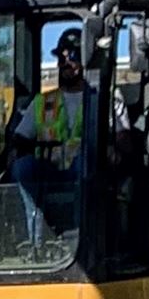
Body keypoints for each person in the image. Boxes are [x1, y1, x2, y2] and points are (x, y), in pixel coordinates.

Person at [8, 26, 91, 228]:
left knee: (85, 165)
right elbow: (20, 138)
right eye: (61, 58)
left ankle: (83, 232)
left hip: (86, 172)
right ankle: (37, 243)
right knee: (23, 168)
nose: (65, 63)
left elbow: (124, 139)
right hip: (49, 170)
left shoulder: (103, 99)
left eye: (72, 56)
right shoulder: (44, 101)